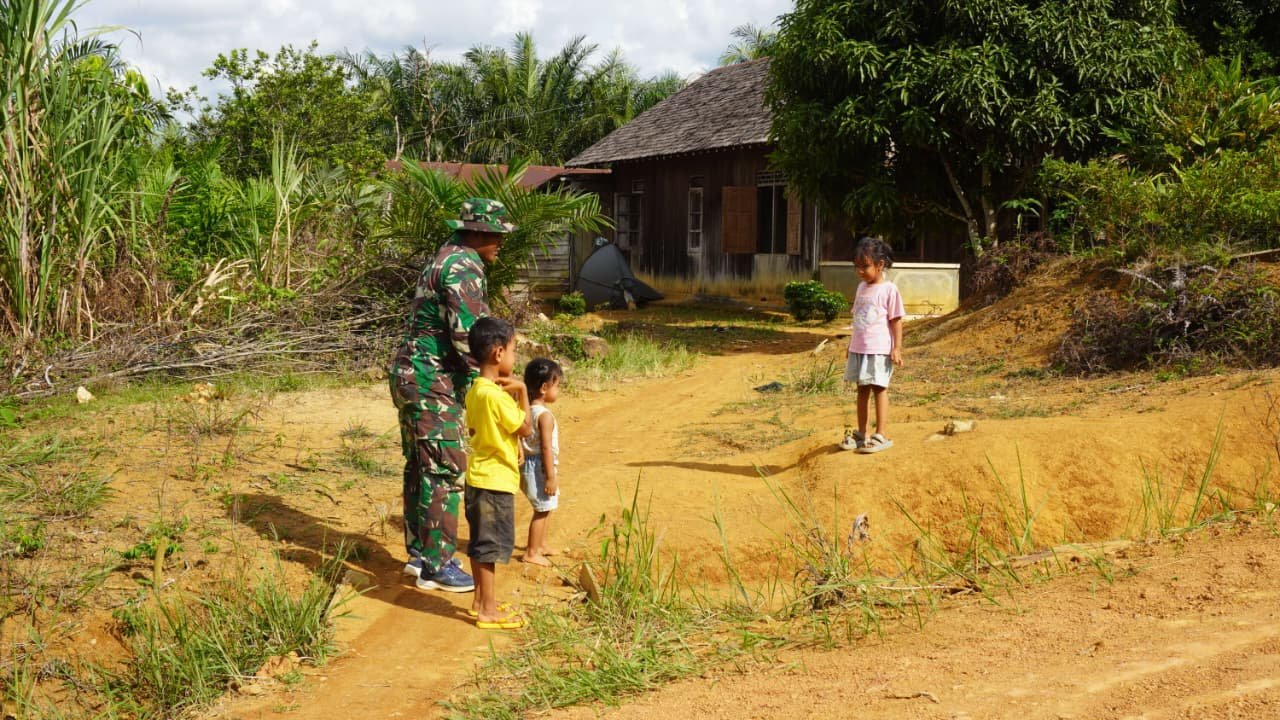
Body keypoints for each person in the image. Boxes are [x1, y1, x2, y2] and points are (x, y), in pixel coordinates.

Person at [388, 198, 515, 592]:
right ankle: (438, 565)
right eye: (495, 235)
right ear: (476, 233)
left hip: (412, 374)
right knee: (444, 468)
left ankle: (420, 554)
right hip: (433, 379)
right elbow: (469, 337)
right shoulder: (463, 265)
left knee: (420, 466)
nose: (500, 243)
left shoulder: (444, 256)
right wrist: (492, 381)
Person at [463, 317, 533, 629]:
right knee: (490, 548)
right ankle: (489, 611)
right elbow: (526, 427)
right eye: (513, 350)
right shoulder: (496, 395)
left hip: (477, 475)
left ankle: (480, 600)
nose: (515, 357)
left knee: (479, 543)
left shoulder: (476, 390)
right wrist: (523, 391)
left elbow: (483, 430)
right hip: (495, 481)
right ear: (498, 353)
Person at [839, 236, 905, 454]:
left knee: (879, 389)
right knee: (861, 390)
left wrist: (896, 348)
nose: (860, 271)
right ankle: (861, 433)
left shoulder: (889, 289)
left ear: (880, 264)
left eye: (865, 266)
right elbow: (858, 318)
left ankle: (880, 435)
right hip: (859, 348)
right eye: (856, 266)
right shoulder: (861, 288)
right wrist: (851, 345)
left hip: (879, 350)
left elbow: (896, 320)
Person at [519, 358, 563, 566]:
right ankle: (531, 552)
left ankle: (541, 544)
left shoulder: (526, 411)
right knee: (542, 509)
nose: (558, 390)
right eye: (557, 385)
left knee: (546, 506)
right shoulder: (545, 416)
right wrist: (550, 477)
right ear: (544, 388)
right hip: (539, 466)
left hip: (529, 464)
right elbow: (546, 448)